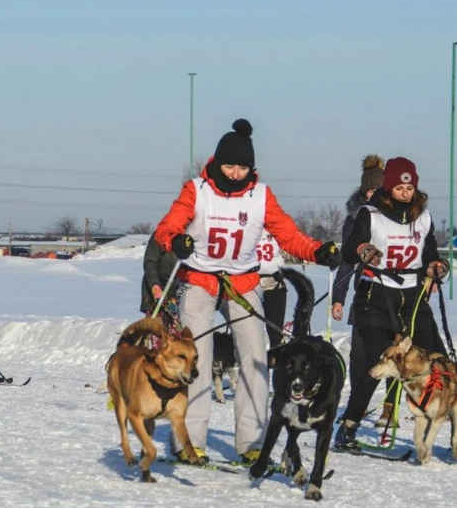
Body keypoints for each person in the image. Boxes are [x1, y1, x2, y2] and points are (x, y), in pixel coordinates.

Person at [155, 118, 340, 463]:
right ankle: (188, 441)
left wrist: (317, 251)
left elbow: (288, 235)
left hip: (242, 283)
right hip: (199, 279)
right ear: (217, 162)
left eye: (243, 167)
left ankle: (252, 443)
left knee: (256, 358)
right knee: (198, 358)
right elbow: (167, 227)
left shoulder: (260, 195)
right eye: (230, 165)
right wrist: (176, 240)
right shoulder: (197, 190)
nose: (236, 173)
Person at [334, 157, 449, 454]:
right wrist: (364, 248)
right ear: (389, 188)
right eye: (399, 187)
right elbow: (349, 250)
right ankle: (348, 428)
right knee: (376, 363)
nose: (405, 193)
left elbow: (430, 253)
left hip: (412, 298)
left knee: (439, 359)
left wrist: (436, 266)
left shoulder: (423, 217)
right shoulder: (369, 214)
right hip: (376, 296)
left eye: (409, 188)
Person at [331, 154, 396, 427]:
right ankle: (355, 408)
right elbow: (347, 261)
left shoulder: (400, 219)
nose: (372, 196)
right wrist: (338, 298)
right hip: (364, 294)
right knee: (359, 355)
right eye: (368, 191)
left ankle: (389, 409)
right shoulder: (354, 220)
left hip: (394, 295)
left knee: (394, 356)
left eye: (377, 191)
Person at [140, 232, 180, 330]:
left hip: (178, 294)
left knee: (179, 333)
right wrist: (155, 287)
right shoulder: (160, 235)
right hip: (155, 293)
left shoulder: (191, 236)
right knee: (157, 333)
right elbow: (150, 263)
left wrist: (175, 297)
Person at [256, 231, 287, 353]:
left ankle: (277, 361)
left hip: (274, 282)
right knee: (248, 329)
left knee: (275, 330)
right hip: (250, 283)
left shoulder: (274, 226)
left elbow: (288, 246)